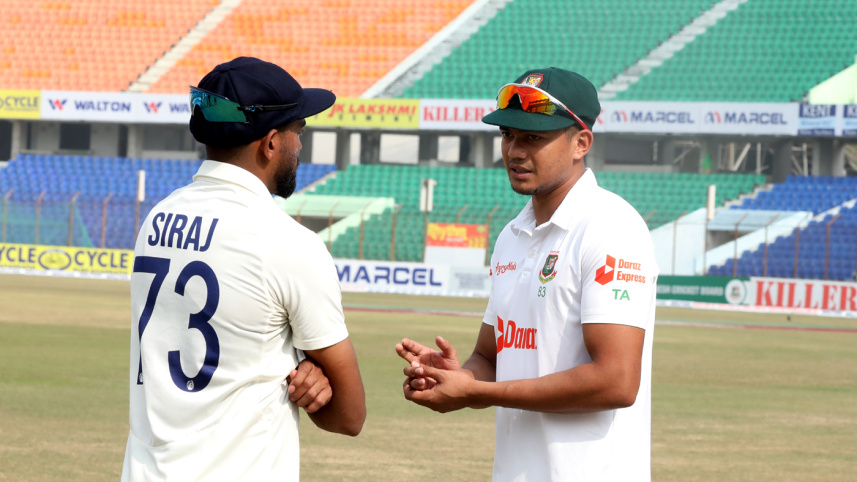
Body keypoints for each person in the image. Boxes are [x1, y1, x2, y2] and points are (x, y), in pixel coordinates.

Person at [397, 67, 658, 481]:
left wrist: (478, 393)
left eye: (534, 137)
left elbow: (616, 382)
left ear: (581, 143)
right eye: (508, 135)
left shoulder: (611, 227)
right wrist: (458, 377)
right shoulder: (512, 235)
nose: (515, 151)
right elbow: (491, 357)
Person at [122, 57, 366, 481]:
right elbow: (349, 416)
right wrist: (307, 378)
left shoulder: (157, 218)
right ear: (270, 143)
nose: (300, 146)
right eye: (298, 132)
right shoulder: (290, 243)